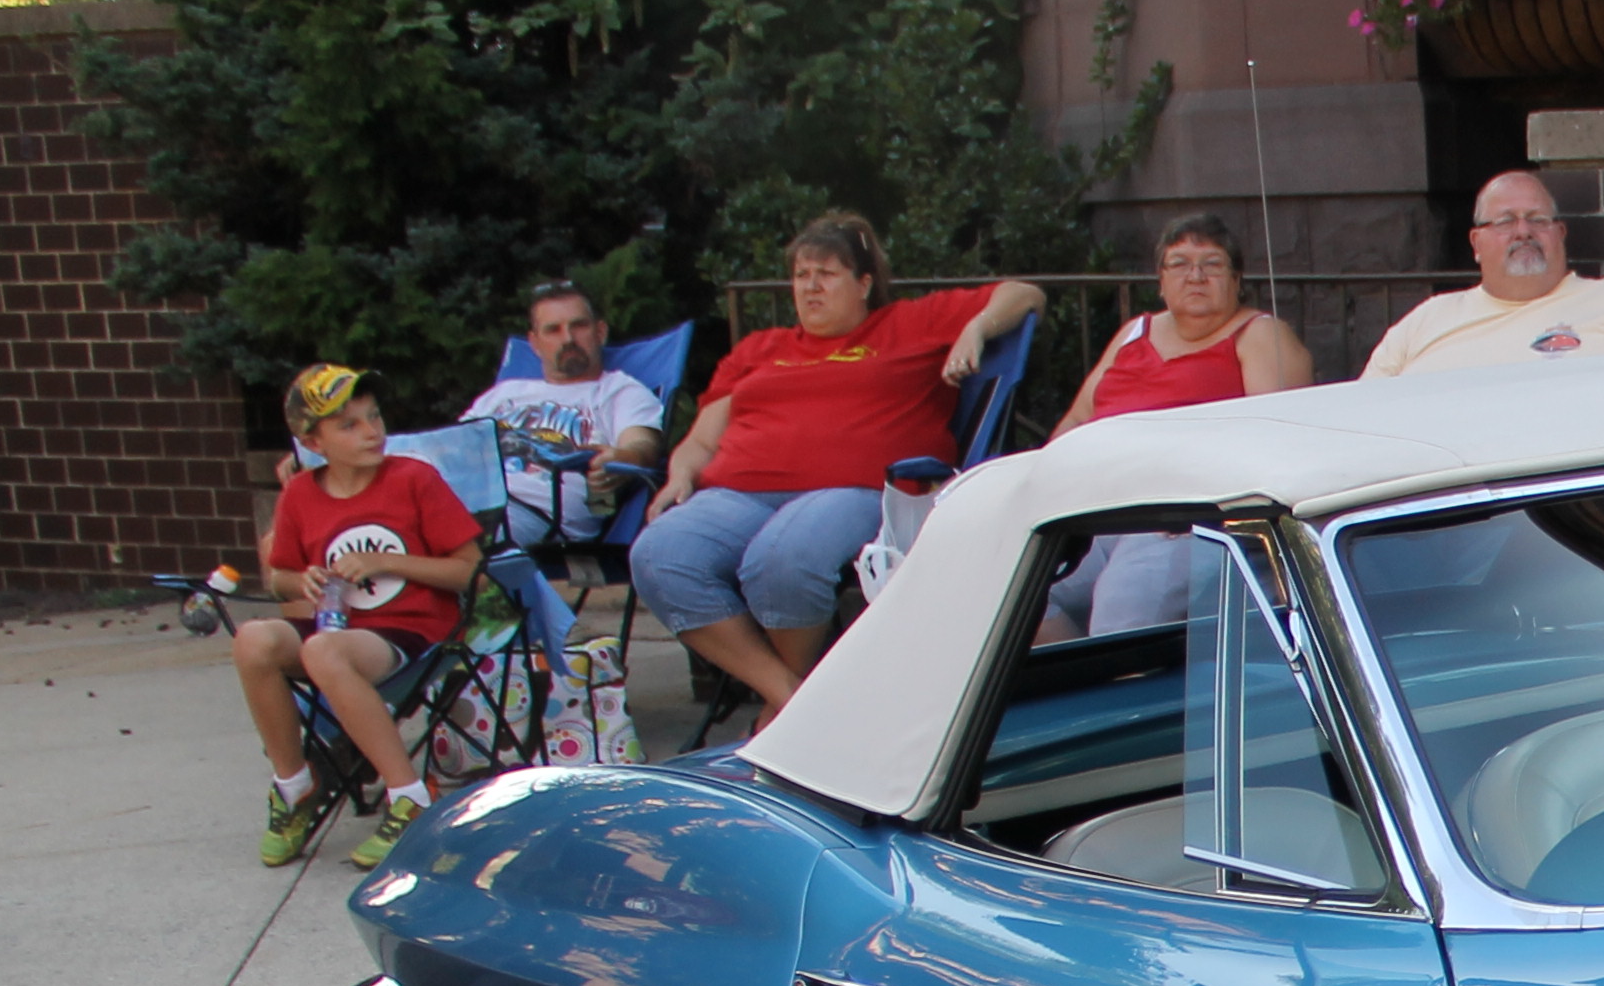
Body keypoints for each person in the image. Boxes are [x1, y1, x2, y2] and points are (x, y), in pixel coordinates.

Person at [633, 211, 1043, 723]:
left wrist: (977, 328)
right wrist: (680, 474)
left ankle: (780, 715)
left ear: (864, 283)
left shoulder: (909, 324)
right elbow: (701, 439)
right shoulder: (761, 349)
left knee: (780, 561)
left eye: (826, 274)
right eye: (801, 275)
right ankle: (792, 699)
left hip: (853, 490)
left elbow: (1025, 294)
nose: (811, 287)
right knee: (659, 556)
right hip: (737, 493)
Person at [230, 365, 483, 870]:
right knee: (253, 640)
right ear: (313, 441)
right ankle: (294, 786)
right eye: (349, 425)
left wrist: (387, 562)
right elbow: (279, 577)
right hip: (336, 626)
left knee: (323, 651)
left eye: (374, 416)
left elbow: (469, 571)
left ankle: (409, 797)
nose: (371, 432)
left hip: (414, 630)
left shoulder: (413, 480)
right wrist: (301, 581)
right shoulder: (300, 494)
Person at [1042, 214, 1317, 636]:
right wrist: (1046, 490)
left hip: (1183, 522)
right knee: (1015, 596)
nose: (1196, 276)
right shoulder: (1133, 333)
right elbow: (1078, 418)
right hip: (1096, 513)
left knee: (1122, 611)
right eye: (1180, 263)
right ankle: (1086, 677)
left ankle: (1122, 676)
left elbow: (1277, 440)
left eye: (1212, 264)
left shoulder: (1260, 335)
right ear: (1161, 280)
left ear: (1236, 280)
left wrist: (1192, 504)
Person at [1359, 170, 1604, 377]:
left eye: (1537, 220)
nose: (1523, 232)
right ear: (1476, 243)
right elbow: (1365, 411)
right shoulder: (1425, 322)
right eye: (1505, 221)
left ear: (1560, 234)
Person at [463, 281, 668, 544]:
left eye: (579, 326)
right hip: (466, 500)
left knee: (454, 539)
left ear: (600, 332)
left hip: (533, 515)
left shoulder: (619, 391)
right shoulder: (504, 393)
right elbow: (452, 446)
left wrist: (624, 458)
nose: (568, 339)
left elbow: (642, 445)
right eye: (553, 330)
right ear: (535, 343)